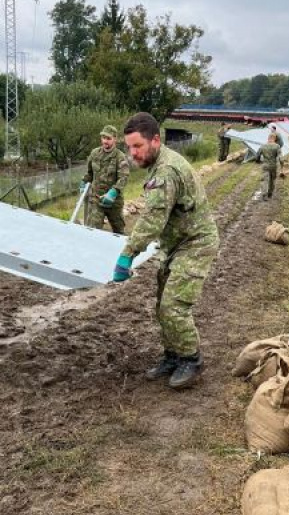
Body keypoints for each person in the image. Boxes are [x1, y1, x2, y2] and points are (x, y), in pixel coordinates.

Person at [112, 112, 219, 390]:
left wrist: (128, 253)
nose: (132, 153)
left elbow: (151, 220)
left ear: (155, 140)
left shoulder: (165, 172)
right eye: (129, 147)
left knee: (174, 305)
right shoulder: (158, 163)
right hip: (176, 244)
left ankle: (191, 361)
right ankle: (172, 356)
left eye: (137, 146)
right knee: (162, 304)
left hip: (195, 244)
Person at [81, 124, 130, 234]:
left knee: (119, 232)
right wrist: (84, 182)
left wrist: (113, 192)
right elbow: (89, 173)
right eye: (103, 138)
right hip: (96, 199)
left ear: (115, 139)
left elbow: (124, 177)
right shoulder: (94, 154)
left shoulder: (120, 157)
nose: (105, 141)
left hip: (114, 202)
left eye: (108, 138)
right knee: (91, 231)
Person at [260, 130, 281, 200]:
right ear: (275, 139)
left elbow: (257, 155)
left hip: (265, 165)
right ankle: (270, 193)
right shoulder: (277, 146)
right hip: (273, 165)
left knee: (265, 180)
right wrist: (280, 164)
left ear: (268, 138)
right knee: (272, 180)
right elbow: (280, 157)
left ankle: (264, 194)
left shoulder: (263, 146)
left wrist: (258, 160)